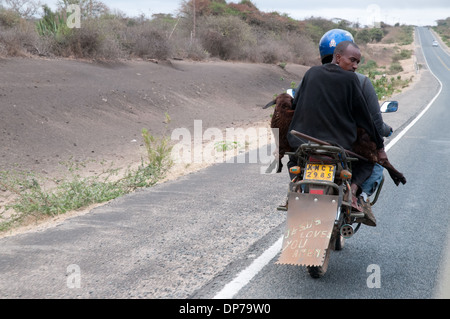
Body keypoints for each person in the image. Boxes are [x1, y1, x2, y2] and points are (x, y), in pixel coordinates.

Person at [287, 40, 387, 226]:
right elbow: (365, 118)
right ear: (338, 57)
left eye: (358, 62)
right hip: (338, 146)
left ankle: (297, 188)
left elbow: (295, 105)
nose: (355, 66)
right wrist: (379, 146)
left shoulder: (311, 73)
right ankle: (354, 193)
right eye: (353, 61)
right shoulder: (351, 80)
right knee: (369, 162)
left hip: (302, 142)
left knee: (294, 161)